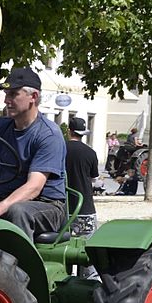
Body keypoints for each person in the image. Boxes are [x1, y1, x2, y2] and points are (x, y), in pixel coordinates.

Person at [0, 67, 66, 240]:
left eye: (13, 94)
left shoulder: (48, 134)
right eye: (6, 95)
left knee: (17, 211)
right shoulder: (1, 125)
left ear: (34, 97)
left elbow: (34, 187)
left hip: (47, 205)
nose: (6, 101)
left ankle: (20, 266)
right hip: (5, 199)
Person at [65, 117, 99, 278]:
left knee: (63, 246)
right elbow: (93, 179)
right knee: (87, 248)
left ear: (69, 131)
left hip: (62, 207)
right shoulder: (90, 153)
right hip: (84, 207)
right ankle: (86, 283)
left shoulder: (59, 149)